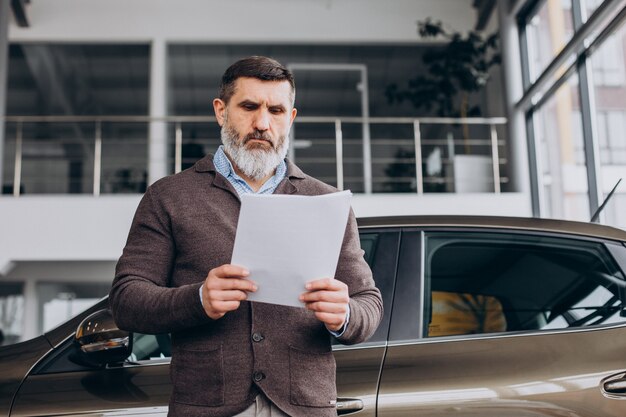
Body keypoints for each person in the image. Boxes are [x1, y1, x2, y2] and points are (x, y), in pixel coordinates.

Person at [110, 56, 382, 417]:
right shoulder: (168, 197)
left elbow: (369, 303)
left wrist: (345, 313)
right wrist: (199, 299)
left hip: (303, 408)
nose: (262, 123)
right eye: (249, 107)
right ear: (221, 111)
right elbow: (127, 299)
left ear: (291, 118)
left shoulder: (326, 201)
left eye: (276, 110)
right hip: (208, 407)